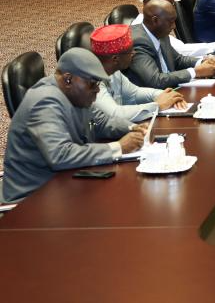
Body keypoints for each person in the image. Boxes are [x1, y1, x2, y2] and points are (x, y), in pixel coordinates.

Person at [1, 48, 146, 203]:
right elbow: (60, 155)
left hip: (63, 183)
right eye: (92, 84)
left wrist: (133, 128)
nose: (97, 89)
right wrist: (118, 147)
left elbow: (101, 122)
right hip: (31, 199)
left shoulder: (75, 94)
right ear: (68, 79)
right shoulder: (45, 102)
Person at [90, 24, 187, 124]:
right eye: (130, 51)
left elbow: (134, 93)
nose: (134, 53)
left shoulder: (113, 70)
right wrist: (157, 106)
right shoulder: (90, 82)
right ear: (115, 59)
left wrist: (165, 95)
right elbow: (115, 114)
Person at [128, 0, 215, 88]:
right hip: (153, 97)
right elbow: (155, 80)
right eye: (171, 21)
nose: (174, 26)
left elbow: (178, 60)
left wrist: (203, 62)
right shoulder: (137, 41)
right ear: (155, 20)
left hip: (172, 89)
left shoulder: (160, 31)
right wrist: (195, 72)